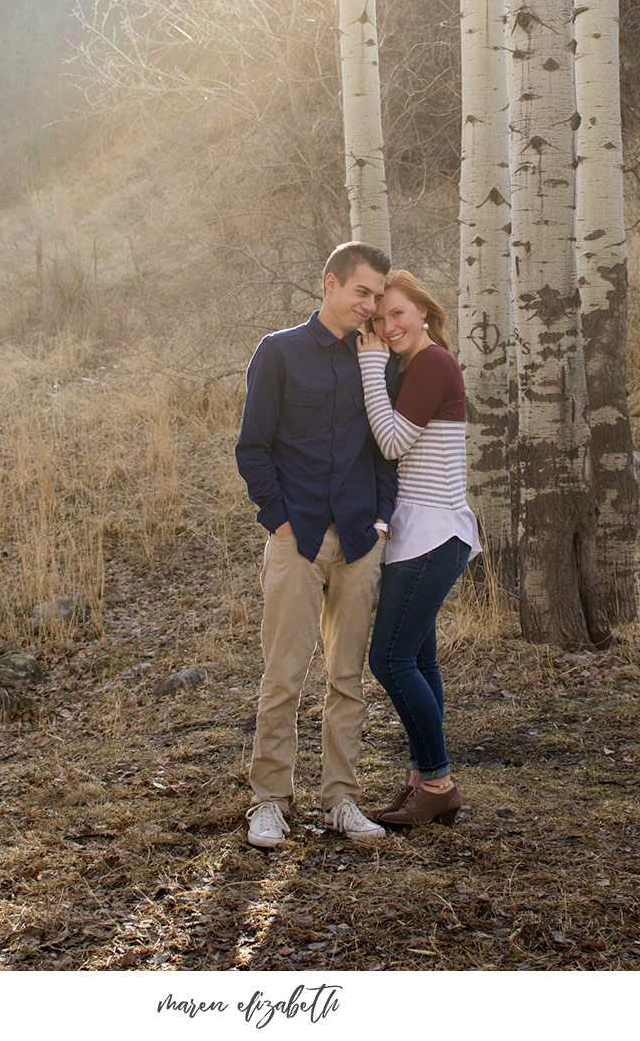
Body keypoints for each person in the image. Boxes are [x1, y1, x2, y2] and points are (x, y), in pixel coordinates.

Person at [235, 241, 397, 848]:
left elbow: (384, 446)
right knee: (283, 676)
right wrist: (278, 520)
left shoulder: (375, 358)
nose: (371, 305)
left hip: (359, 538)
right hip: (296, 537)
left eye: (378, 296)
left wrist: (381, 519)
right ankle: (270, 802)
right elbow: (252, 446)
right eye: (362, 292)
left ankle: (341, 799)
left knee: (347, 676)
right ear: (330, 284)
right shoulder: (278, 353)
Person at [355, 270, 481, 827]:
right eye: (380, 319)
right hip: (423, 534)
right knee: (420, 660)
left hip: (433, 535)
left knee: (389, 658)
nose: (388, 326)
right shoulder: (418, 367)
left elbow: (391, 441)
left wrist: (367, 364)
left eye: (398, 314)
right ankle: (422, 781)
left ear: (424, 313)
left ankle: (438, 781)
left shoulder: (431, 363)